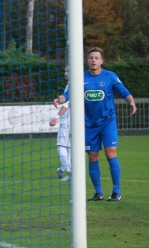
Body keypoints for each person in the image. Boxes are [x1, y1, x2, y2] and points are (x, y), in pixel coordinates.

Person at [53, 47, 137, 201]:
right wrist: (59, 100)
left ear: (101, 61)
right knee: (92, 156)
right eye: (91, 57)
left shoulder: (110, 76)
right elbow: (67, 95)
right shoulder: (80, 78)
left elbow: (124, 91)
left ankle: (116, 192)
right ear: (87, 60)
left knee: (110, 152)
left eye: (96, 58)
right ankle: (98, 193)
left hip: (107, 122)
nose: (93, 60)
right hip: (89, 124)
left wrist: (131, 102)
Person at [49, 66, 71, 181]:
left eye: (67, 71)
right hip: (79, 124)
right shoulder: (83, 84)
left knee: (61, 147)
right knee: (70, 149)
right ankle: (62, 169)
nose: (65, 73)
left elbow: (66, 105)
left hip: (67, 123)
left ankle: (70, 171)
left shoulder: (71, 86)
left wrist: (56, 117)